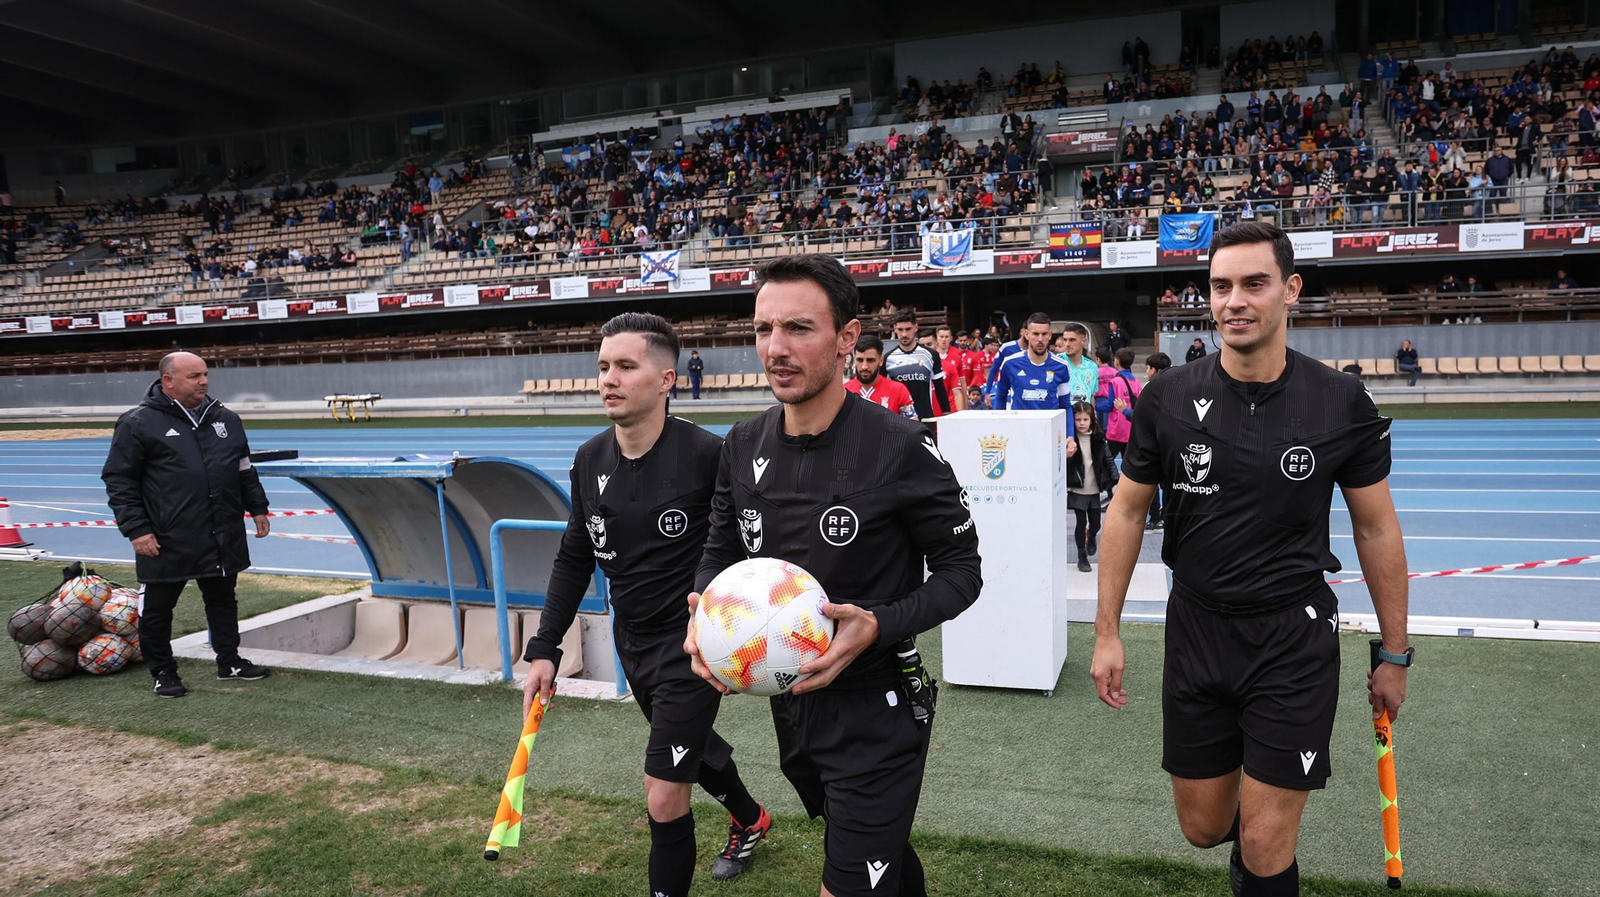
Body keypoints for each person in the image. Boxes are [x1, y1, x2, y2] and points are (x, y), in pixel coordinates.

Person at [1091, 221, 1411, 897]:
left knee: (1266, 843)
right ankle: (1251, 846)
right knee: (1204, 826)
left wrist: (1395, 651)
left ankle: (1265, 854)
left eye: (1254, 283)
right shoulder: (1168, 398)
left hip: (1291, 636)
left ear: (1291, 290)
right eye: (1221, 285)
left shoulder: (1340, 401)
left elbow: (1377, 528)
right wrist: (1107, 629)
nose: (1234, 300)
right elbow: (1123, 511)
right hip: (1197, 629)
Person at [685, 253, 983, 897]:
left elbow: (963, 574)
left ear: (847, 338)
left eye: (798, 328)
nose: (775, 348)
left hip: (877, 710)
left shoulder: (902, 447)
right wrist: (704, 618)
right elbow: (718, 554)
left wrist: (878, 625)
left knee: (849, 880)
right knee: (883, 861)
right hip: (791, 710)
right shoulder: (741, 446)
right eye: (764, 329)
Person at [521, 313, 771, 897]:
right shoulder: (589, 458)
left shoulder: (709, 455)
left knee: (663, 792)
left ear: (666, 379)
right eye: (603, 366)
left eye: (625, 367)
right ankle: (750, 817)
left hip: (694, 644)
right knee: (689, 748)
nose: (608, 378)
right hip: (631, 641)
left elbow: (753, 546)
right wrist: (544, 649)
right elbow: (574, 556)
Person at [100, 353, 272, 699]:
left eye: (205, 374)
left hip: (222, 531)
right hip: (167, 537)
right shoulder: (138, 423)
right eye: (194, 376)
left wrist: (258, 508)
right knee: (159, 608)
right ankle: (163, 671)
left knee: (223, 600)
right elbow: (119, 480)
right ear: (168, 381)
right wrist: (136, 529)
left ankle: (229, 661)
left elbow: (243, 469)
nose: (204, 381)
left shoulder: (226, 419)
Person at [1069, 400, 1118, 573]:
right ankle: (1082, 556)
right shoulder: (1070, 440)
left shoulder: (1098, 439)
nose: (1082, 423)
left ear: (1092, 420)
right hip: (1077, 489)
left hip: (1095, 488)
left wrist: (1115, 481)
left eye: (1085, 419)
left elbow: (1109, 461)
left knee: (1096, 523)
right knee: (1080, 522)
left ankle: (1092, 536)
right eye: (1078, 420)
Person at [884, 308, 952, 428]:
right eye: (900, 330)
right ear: (894, 329)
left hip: (926, 419)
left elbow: (940, 386)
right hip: (897, 421)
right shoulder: (887, 358)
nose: (904, 334)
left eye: (908, 329)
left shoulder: (930, 355)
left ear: (916, 328)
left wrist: (946, 413)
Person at [846, 335, 918, 419]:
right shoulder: (843, 392)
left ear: (881, 361)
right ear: (854, 359)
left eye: (870, 360)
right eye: (860, 360)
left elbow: (913, 425)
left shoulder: (898, 390)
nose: (864, 366)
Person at [1142, 352, 1172, 531]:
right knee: (1169, 483)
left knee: (1150, 481)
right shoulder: (1178, 385)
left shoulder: (1150, 387)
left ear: (1153, 369)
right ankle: (1165, 516)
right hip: (1170, 441)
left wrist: (1125, 412)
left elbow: (1144, 416)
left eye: (1148, 368)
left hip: (1154, 441)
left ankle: (1155, 516)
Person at [1100, 347, 1142, 463]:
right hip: (1130, 429)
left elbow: (1109, 405)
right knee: (1128, 464)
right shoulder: (1136, 382)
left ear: (1117, 362)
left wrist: (1095, 406)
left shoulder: (1115, 381)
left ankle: (1106, 481)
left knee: (1106, 461)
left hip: (1116, 430)